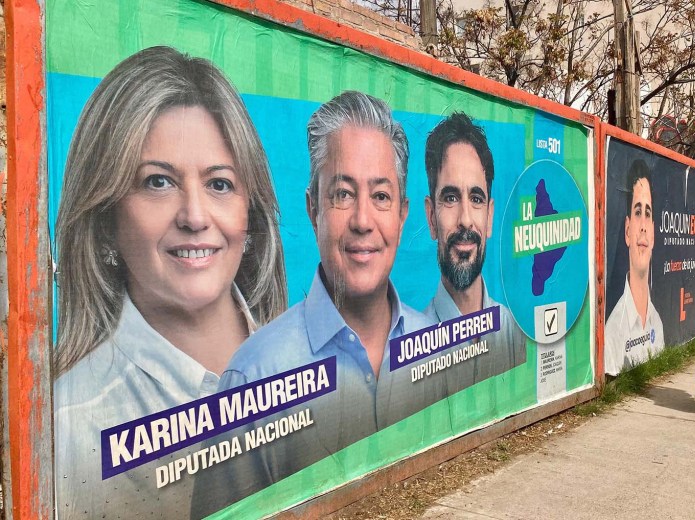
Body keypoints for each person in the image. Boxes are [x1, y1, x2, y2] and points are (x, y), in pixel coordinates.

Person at [53, 46, 287, 519]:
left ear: (250, 209)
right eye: (158, 182)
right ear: (105, 220)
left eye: (220, 184)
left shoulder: (299, 353)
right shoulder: (73, 423)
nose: (195, 217)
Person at [191, 91, 442, 516]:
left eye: (381, 196)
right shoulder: (254, 377)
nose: (363, 221)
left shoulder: (434, 345)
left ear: (402, 214)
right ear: (313, 209)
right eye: (343, 194)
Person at [423, 112, 527, 393]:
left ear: (490, 217)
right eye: (451, 197)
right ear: (431, 218)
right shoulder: (413, 347)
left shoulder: (514, 334)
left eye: (476, 198)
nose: (466, 219)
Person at [604, 160, 665, 376]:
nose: (642, 227)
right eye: (638, 212)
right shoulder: (612, 331)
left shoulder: (657, 323)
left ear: (654, 231)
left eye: (648, 214)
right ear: (627, 230)